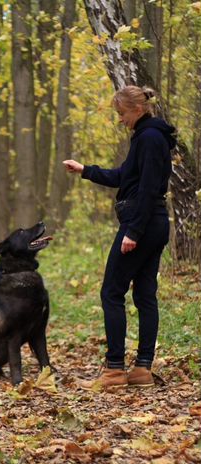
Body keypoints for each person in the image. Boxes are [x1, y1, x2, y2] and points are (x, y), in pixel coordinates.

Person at [63, 85, 176, 390]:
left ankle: (114, 371)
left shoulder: (150, 138)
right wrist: (85, 170)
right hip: (151, 223)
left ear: (137, 110)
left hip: (143, 224)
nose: (120, 120)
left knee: (111, 292)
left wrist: (133, 231)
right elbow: (123, 177)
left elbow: (150, 188)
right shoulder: (148, 137)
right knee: (144, 295)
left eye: (122, 113)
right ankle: (141, 371)